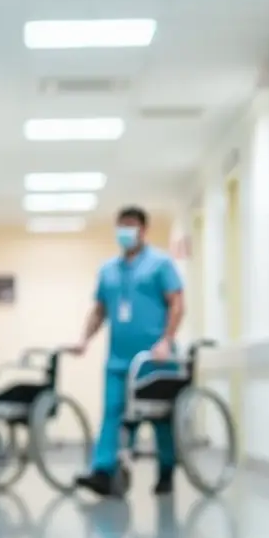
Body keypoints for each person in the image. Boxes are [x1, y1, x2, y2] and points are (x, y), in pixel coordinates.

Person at [72, 205, 185, 496]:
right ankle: (102, 471)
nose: (125, 231)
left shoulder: (160, 264)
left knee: (160, 417)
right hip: (118, 360)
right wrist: (84, 339)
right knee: (112, 412)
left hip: (154, 358)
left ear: (143, 230)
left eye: (131, 225)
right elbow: (99, 311)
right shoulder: (108, 270)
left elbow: (177, 303)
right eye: (121, 225)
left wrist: (167, 340)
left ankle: (167, 469)